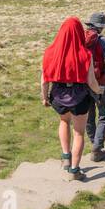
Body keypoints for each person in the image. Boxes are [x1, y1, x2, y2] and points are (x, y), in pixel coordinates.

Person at [41, 17, 93, 179]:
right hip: (80, 97)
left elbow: (44, 80)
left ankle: (66, 158)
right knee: (79, 133)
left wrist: (45, 98)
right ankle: (75, 171)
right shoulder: (85, 54)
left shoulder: (50, 52)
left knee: (64, 121)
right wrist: (100, 90)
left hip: (58, 95)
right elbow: (91, 81)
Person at [82, 12, 105, 162]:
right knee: (103, 115)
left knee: (89, 116)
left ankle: (93, 143)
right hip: (100, 83)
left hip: (83, 83)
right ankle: (97, 148)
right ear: (101, 27)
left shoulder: (81, 39)